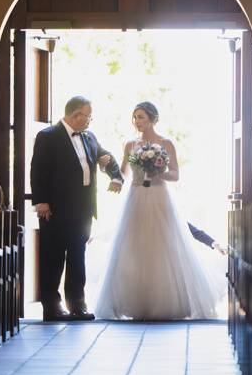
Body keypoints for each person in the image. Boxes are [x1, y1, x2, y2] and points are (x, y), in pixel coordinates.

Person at [95, 102, 222, 320]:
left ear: (153, 119)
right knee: (133, 247)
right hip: (135, 198)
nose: (137, 121)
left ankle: (165, 302)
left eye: (141, 117)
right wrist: (108, 169)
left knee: (162, 245)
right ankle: (134, 301)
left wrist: (157, 172)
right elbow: (124, 174)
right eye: (134, 117)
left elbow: (175, 175)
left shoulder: (166, 143)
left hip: (159, 196)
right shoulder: (130, 144)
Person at [30, 96, 123, 321]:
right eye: (88, 116)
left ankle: (77, 306)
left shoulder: (89, 137)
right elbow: (37, 169)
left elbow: (106, 157)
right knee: (53, 259)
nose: (90, 120)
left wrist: (116, 176)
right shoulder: (48, 136)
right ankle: (52, 308)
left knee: (77, 258)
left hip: (83, 210)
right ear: (75, 115)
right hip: (55, 209)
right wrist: (41, 201)